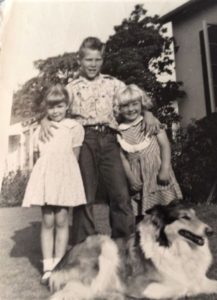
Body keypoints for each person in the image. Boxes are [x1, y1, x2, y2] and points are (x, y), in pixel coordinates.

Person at [40, 37, 161, 245]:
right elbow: (54, 107)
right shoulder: (71, 87)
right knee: (84, 194)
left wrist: (148, 114)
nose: (93, 65)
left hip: (110, 139)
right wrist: (44, 120)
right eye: (88, 60)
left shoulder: (114, 84)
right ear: (80, 60)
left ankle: (124, 244)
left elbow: (134, 100)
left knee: (120, 193)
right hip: (83, 139)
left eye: (97, 60)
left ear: (102, 60)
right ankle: (85, 246)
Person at [22, 84, 86, 284]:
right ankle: (48, 267)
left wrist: (68, 182)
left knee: (62, 220)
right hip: (47, 178)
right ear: (46, 108)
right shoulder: (41, 128)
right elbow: (36, 156)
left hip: (65, 177)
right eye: (51, 107)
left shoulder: (74, 127)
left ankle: (60, 266)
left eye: (60, 106)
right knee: (48, 221)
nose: (55, 111)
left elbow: (74, 157)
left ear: (67, 106)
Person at [115, 84, 183, 219]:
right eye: (125, 106)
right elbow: (122, 157)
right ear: (119, 108)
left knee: (169, 214)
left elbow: (165, 146)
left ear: (141, 103)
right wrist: (131, 178)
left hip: (157, 173)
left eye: (135, 104)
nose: (131, 109)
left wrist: (165, 169)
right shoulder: (118, 131)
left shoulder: (151, 123)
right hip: (138, 178)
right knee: (144, 219)